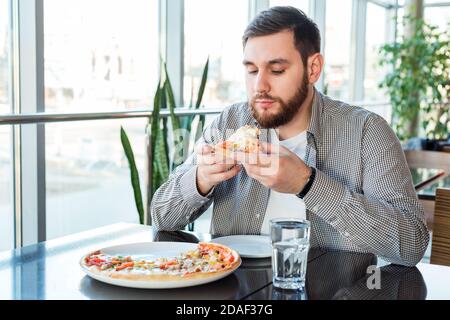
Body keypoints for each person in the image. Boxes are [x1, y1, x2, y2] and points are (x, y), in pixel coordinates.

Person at [151, 6, 429, 266]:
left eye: (277, 70)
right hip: (234, 288)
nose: (259, 85)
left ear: (313, 69)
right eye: (251, 70)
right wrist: (202, 179)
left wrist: (306, 183)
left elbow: (412, 244)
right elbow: (161, 215)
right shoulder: (229, 123)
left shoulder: (367, 132)